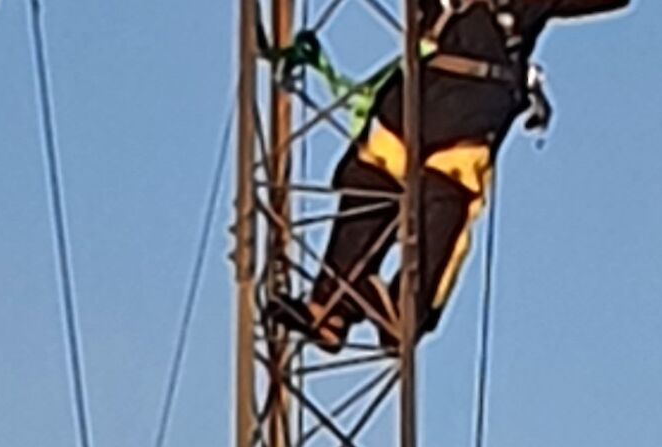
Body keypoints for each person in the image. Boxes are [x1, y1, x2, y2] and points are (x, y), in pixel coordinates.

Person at [268, 0, 631, 353]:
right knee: (369, 180)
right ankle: (330, 307)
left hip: (469, 118)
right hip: (411, 107)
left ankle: (405, 310)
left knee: (444, 203)